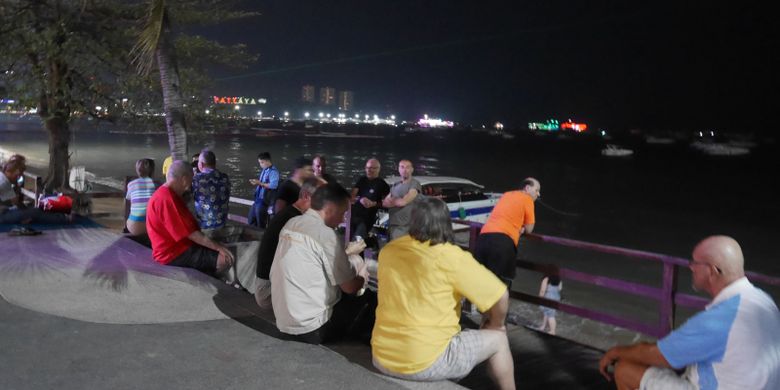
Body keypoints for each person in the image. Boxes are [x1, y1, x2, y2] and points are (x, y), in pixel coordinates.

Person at [598, 235, 780, 390]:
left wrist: (614, 352)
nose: (690, 267)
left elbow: (658, 355)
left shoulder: (719, 319)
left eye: (695, 263)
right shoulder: (764, 301)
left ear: (712, 271)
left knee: (625, 368)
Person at [371, 197, 515, 390]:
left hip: (382, 357)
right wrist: (496, 325)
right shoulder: (451, 257)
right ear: (446, 224)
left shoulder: (389, 250)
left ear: (412, 222)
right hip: (424, 363)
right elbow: (500, 296)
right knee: (498, 340)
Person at [270, 183, 373, 344]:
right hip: (312, 328)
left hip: (283, 322)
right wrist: (362, 275)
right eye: (343, 213)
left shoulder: (292, 223)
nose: (343, 220)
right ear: (330, 207)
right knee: (370, 299)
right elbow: (350, 287)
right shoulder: (326, 235)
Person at [146, 160, 235, 275]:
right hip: (173, 253)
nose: (191, 183)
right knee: (225, 259)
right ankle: (210, 280)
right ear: (184, 179)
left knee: (214, 247)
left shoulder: (166, 193)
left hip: (177, 246)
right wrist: (218, 248)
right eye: (191, 179)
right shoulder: (167, 199)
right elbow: (191, 234)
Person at [254, 177, 320, 309]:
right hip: (269, 292)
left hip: (264, 285)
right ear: (306, 196)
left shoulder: (288, 213)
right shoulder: (295, 220)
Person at [474, 177, 541, 286]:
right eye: (537, 190)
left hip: (483, 239)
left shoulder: (506, 195)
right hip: (502, 243)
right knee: (500, 287)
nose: (538, 194)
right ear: (527, 188)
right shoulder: (527, 199)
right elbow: (529, 229)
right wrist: (523, 227)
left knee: (479, 283)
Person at [1, 154, 71, 225]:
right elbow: (17, 203)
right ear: (16, 172)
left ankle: (61, 216)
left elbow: (15, 203)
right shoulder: (4, 182)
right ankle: (64, 219)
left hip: (4, 212)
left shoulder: (2, 177)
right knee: (35, 212)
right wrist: (27, 213)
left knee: (32, 211)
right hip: (2, 216)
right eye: (19, 174)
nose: (19, 177)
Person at [349, 158, 390, 244]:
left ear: (378, 169)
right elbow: (352, 197)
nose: (369, 170)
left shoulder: (382, 184)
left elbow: (388, 202)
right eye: (367, 168)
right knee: (352, 242)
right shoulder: (361, 180)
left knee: (356, 242)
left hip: (367, 219)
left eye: (372, 168)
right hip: (354, 216)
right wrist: (360, 199)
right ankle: (369, 244)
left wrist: (373, 203)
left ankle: (371, 242)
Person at [192, 149, 231, 233]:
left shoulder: (197, 179)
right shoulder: (225, 177)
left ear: (201, 164)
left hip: (204, 227)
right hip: (222, 224)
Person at [381, 159, 421, 241]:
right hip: (392, 225)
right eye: (402, 167)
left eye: (407, 167)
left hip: (405, 226)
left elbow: (403, 202)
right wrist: (397, 200)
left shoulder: (414, 184)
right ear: (398, 169)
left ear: (412, 170)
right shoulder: (395, 185)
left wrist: (393, 200)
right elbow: (384, 203)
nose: (404, 170)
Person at [125, 158, 157, 236]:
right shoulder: (157, 185)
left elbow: (128, 205)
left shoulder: (131, 184)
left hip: (134, 227)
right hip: (153, 227)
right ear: (152, 170)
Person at [248, 152, 279, 228]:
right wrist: (257, 182)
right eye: (260, 163)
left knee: (260, 223)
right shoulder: (264, 170)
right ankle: (254, 235)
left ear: (267, 161)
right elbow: (261, 183)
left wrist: (259, 183)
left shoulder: (273, 172)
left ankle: (260, 237)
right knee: (251, 220)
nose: (260, 165)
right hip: (258, 200)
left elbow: (274, 185)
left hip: (264, 201)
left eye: (262, 162)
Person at [537, 270, 562, 335]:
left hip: (548, 298)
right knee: (547, 312)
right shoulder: (559, 279)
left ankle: (552, 331)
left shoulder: (546, 279)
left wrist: (540, 298)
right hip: (556, 297)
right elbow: (559, 289)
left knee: (551, 315)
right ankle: (543, 326)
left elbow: (542, 290)